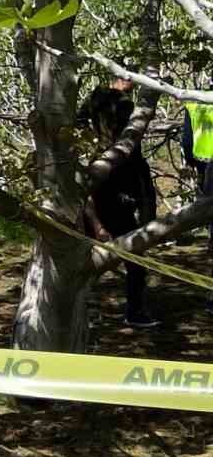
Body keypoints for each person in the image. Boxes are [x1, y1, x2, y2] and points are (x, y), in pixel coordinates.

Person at [79, 84, 159, 328]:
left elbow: (146, 193)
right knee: (85, 265)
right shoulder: (92, 154)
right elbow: (84, 193)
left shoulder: (130, 154)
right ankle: (88, 312)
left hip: (121, 207)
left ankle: (134, 311)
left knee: (135, 261)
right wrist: (97, 225)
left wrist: (148, 225)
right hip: (105, 208)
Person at [180, 97, 213, 253]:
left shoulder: (194, 102)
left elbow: (187, 140)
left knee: (210, 204)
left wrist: (190, 161)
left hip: (203, 161)